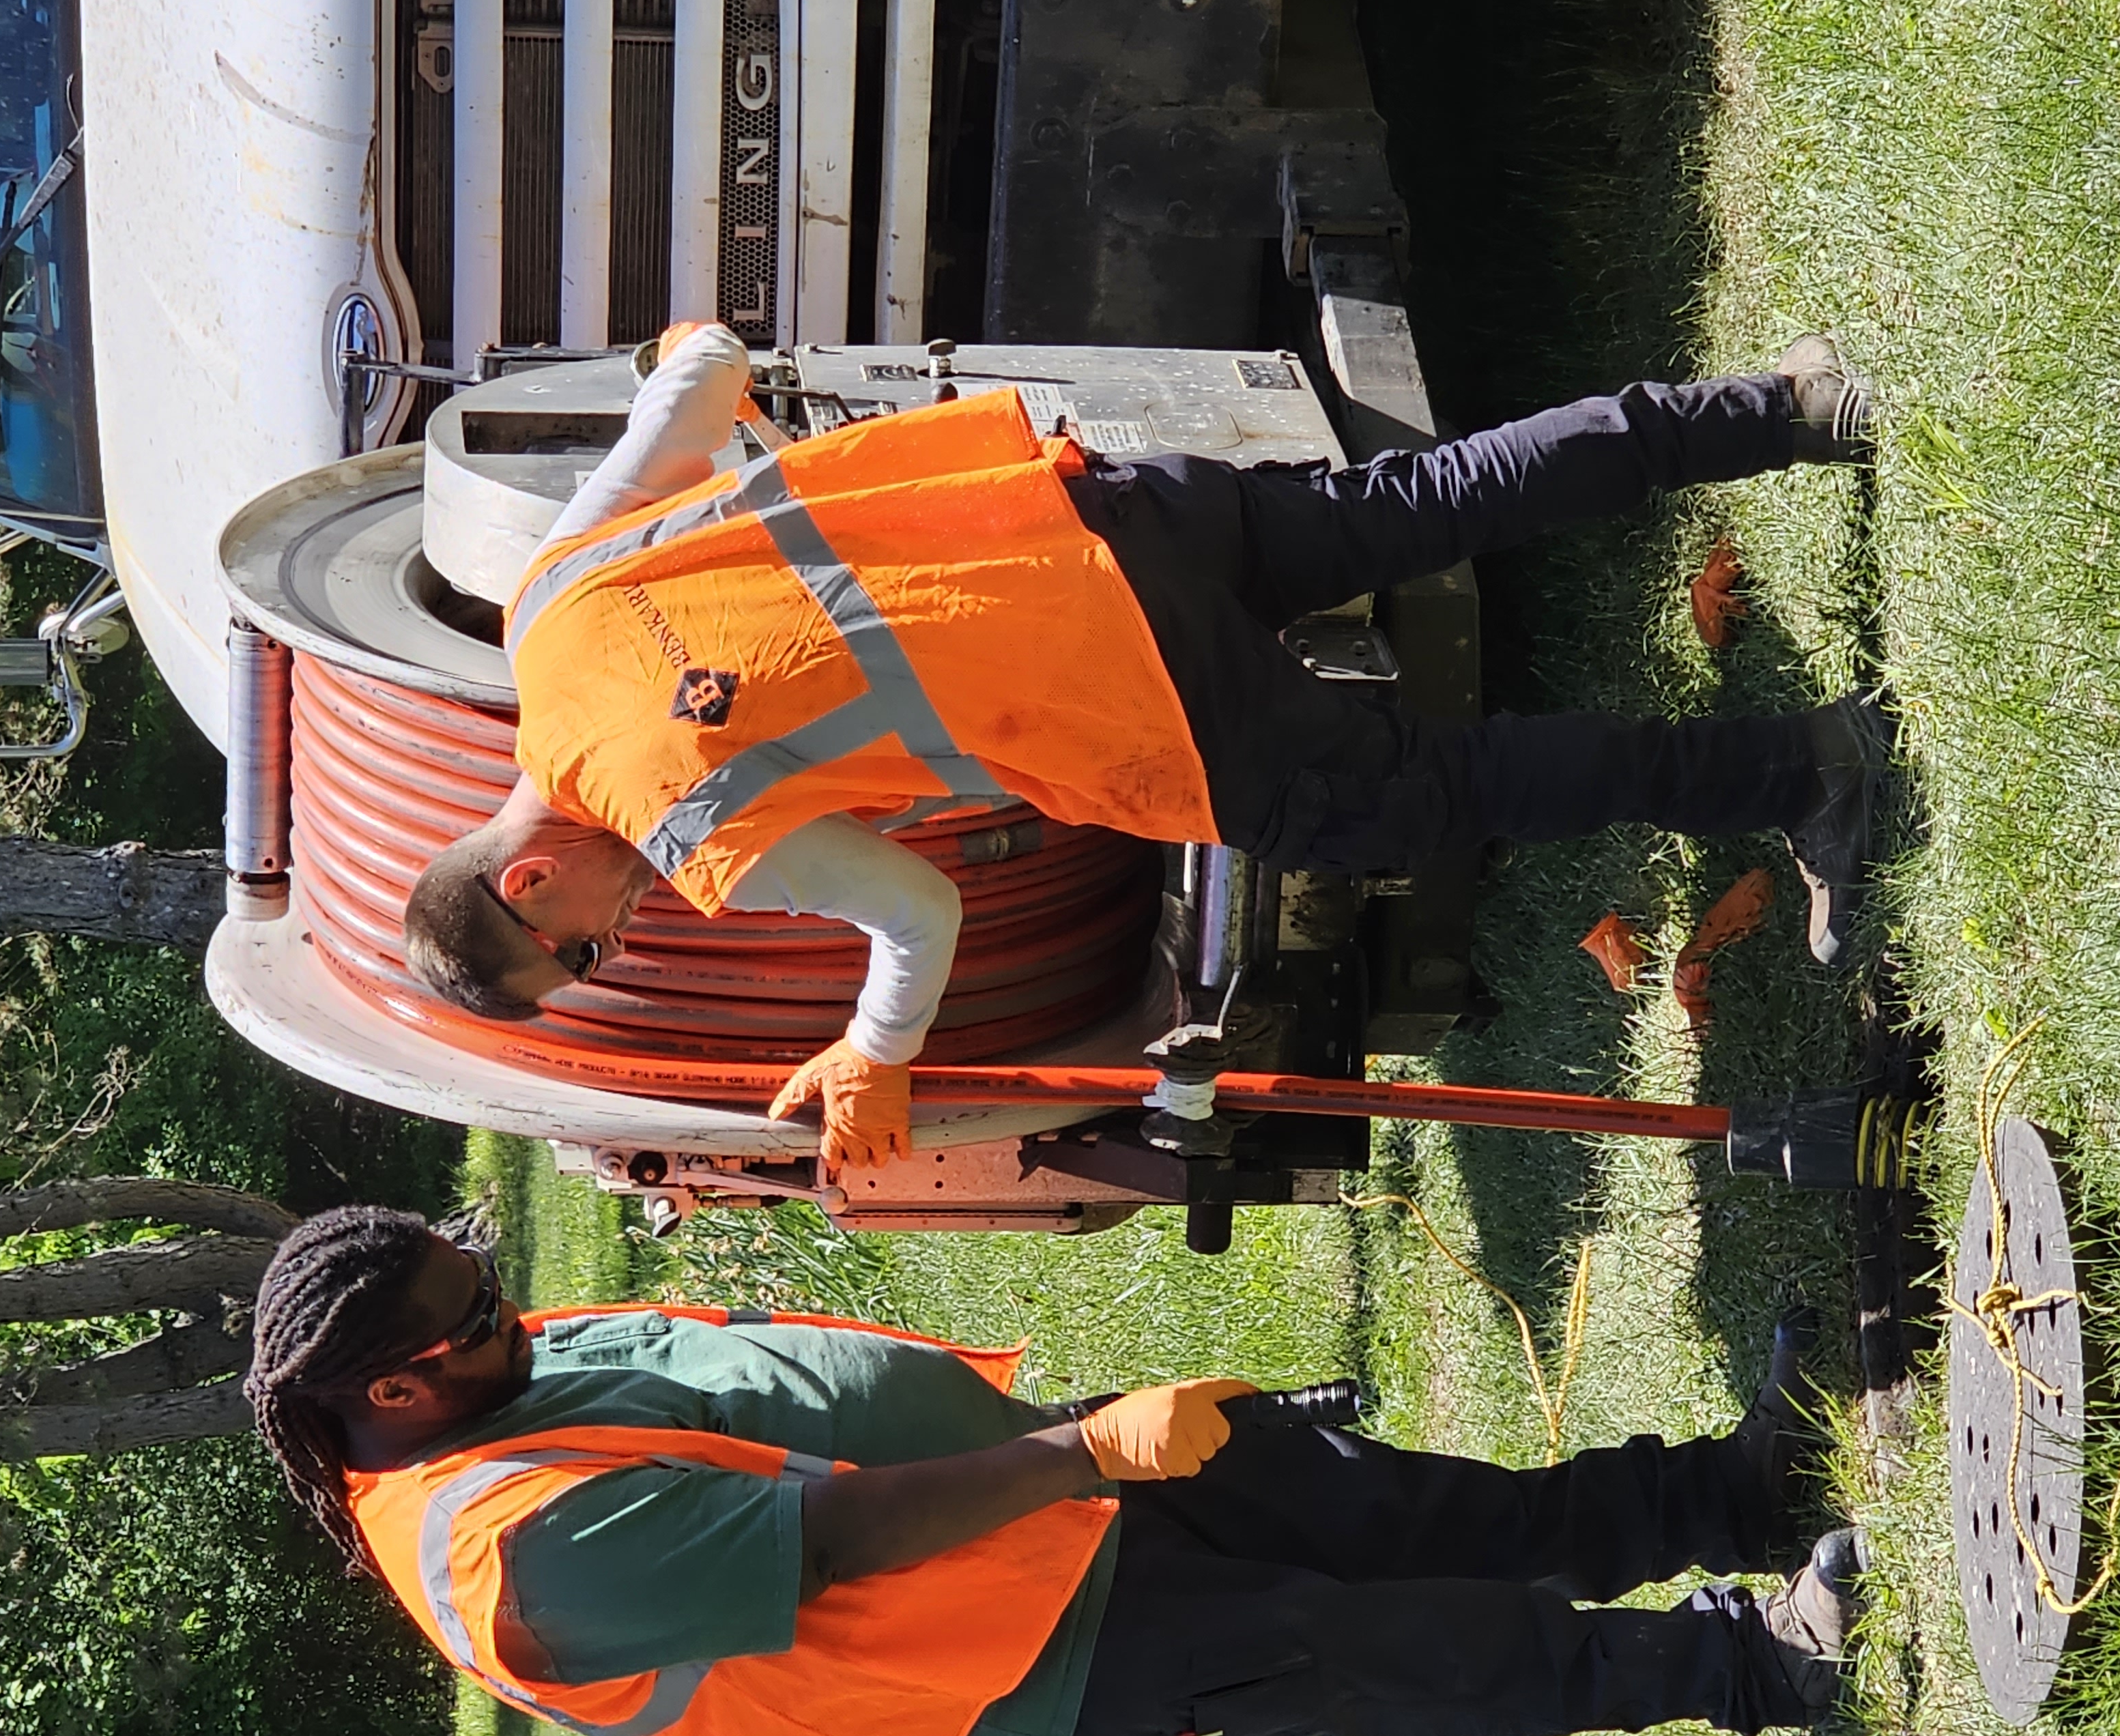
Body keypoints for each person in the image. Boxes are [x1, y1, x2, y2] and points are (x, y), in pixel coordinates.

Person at [401, 323, 1889, 1170]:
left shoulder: (685, 824)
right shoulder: (542, 606)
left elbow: (918, 912)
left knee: (1427, 797)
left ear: (527, 882)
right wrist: (693, 349)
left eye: (577, 952)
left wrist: (870, 1056)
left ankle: (1797, 769)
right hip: (1088, 510)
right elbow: (704, 375)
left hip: (1137, 700)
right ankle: (1791, 402)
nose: (615, 940)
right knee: (1419, 503)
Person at [246, 1206, 1865, 1736]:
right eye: (475, 1310)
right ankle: (1759, 1666)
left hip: (1049, 1496)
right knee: (1400, 1654)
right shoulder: (503, 1555)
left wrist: (1071, 1454)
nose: (505, 1300)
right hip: (1024, 1676)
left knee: (1396, 1510)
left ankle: (1726, 1494)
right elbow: (824, 1544)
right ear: (400, 1385)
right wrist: (1083, 1452)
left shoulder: (479, 1386)